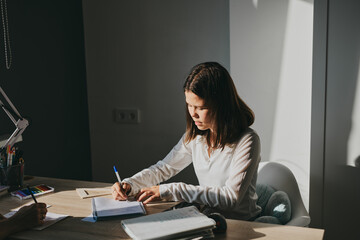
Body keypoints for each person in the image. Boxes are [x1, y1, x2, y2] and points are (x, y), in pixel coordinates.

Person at [112, 62, 262, 220]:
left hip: (243, 224)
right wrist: (130, 184)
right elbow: (164, 168)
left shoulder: (248, 140)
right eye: (189, 105)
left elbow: (230, 198)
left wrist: (170, 190)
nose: (193, 114)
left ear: (222, 106)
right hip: (210, 219)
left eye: (200, 107)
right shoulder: (196, 137)